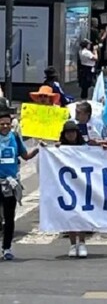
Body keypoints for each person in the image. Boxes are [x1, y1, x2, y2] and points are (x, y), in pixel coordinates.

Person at [0, 110, 39, 260]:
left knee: (9, 218)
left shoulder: (15, 138)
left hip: (11, 184)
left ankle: (7, 248)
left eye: (7, 124)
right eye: (2, 124)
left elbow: (25, 156)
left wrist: (39, 149)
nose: (4, 126)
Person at [58, 121, 90, 257]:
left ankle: (82, 242)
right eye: (68, 132)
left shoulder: (84, 147)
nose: (71, 134)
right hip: (66, 185)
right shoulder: (59, 148)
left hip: (82, 184)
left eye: (73, 132)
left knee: (81, 214)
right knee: (70, 214)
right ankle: (72, 244)